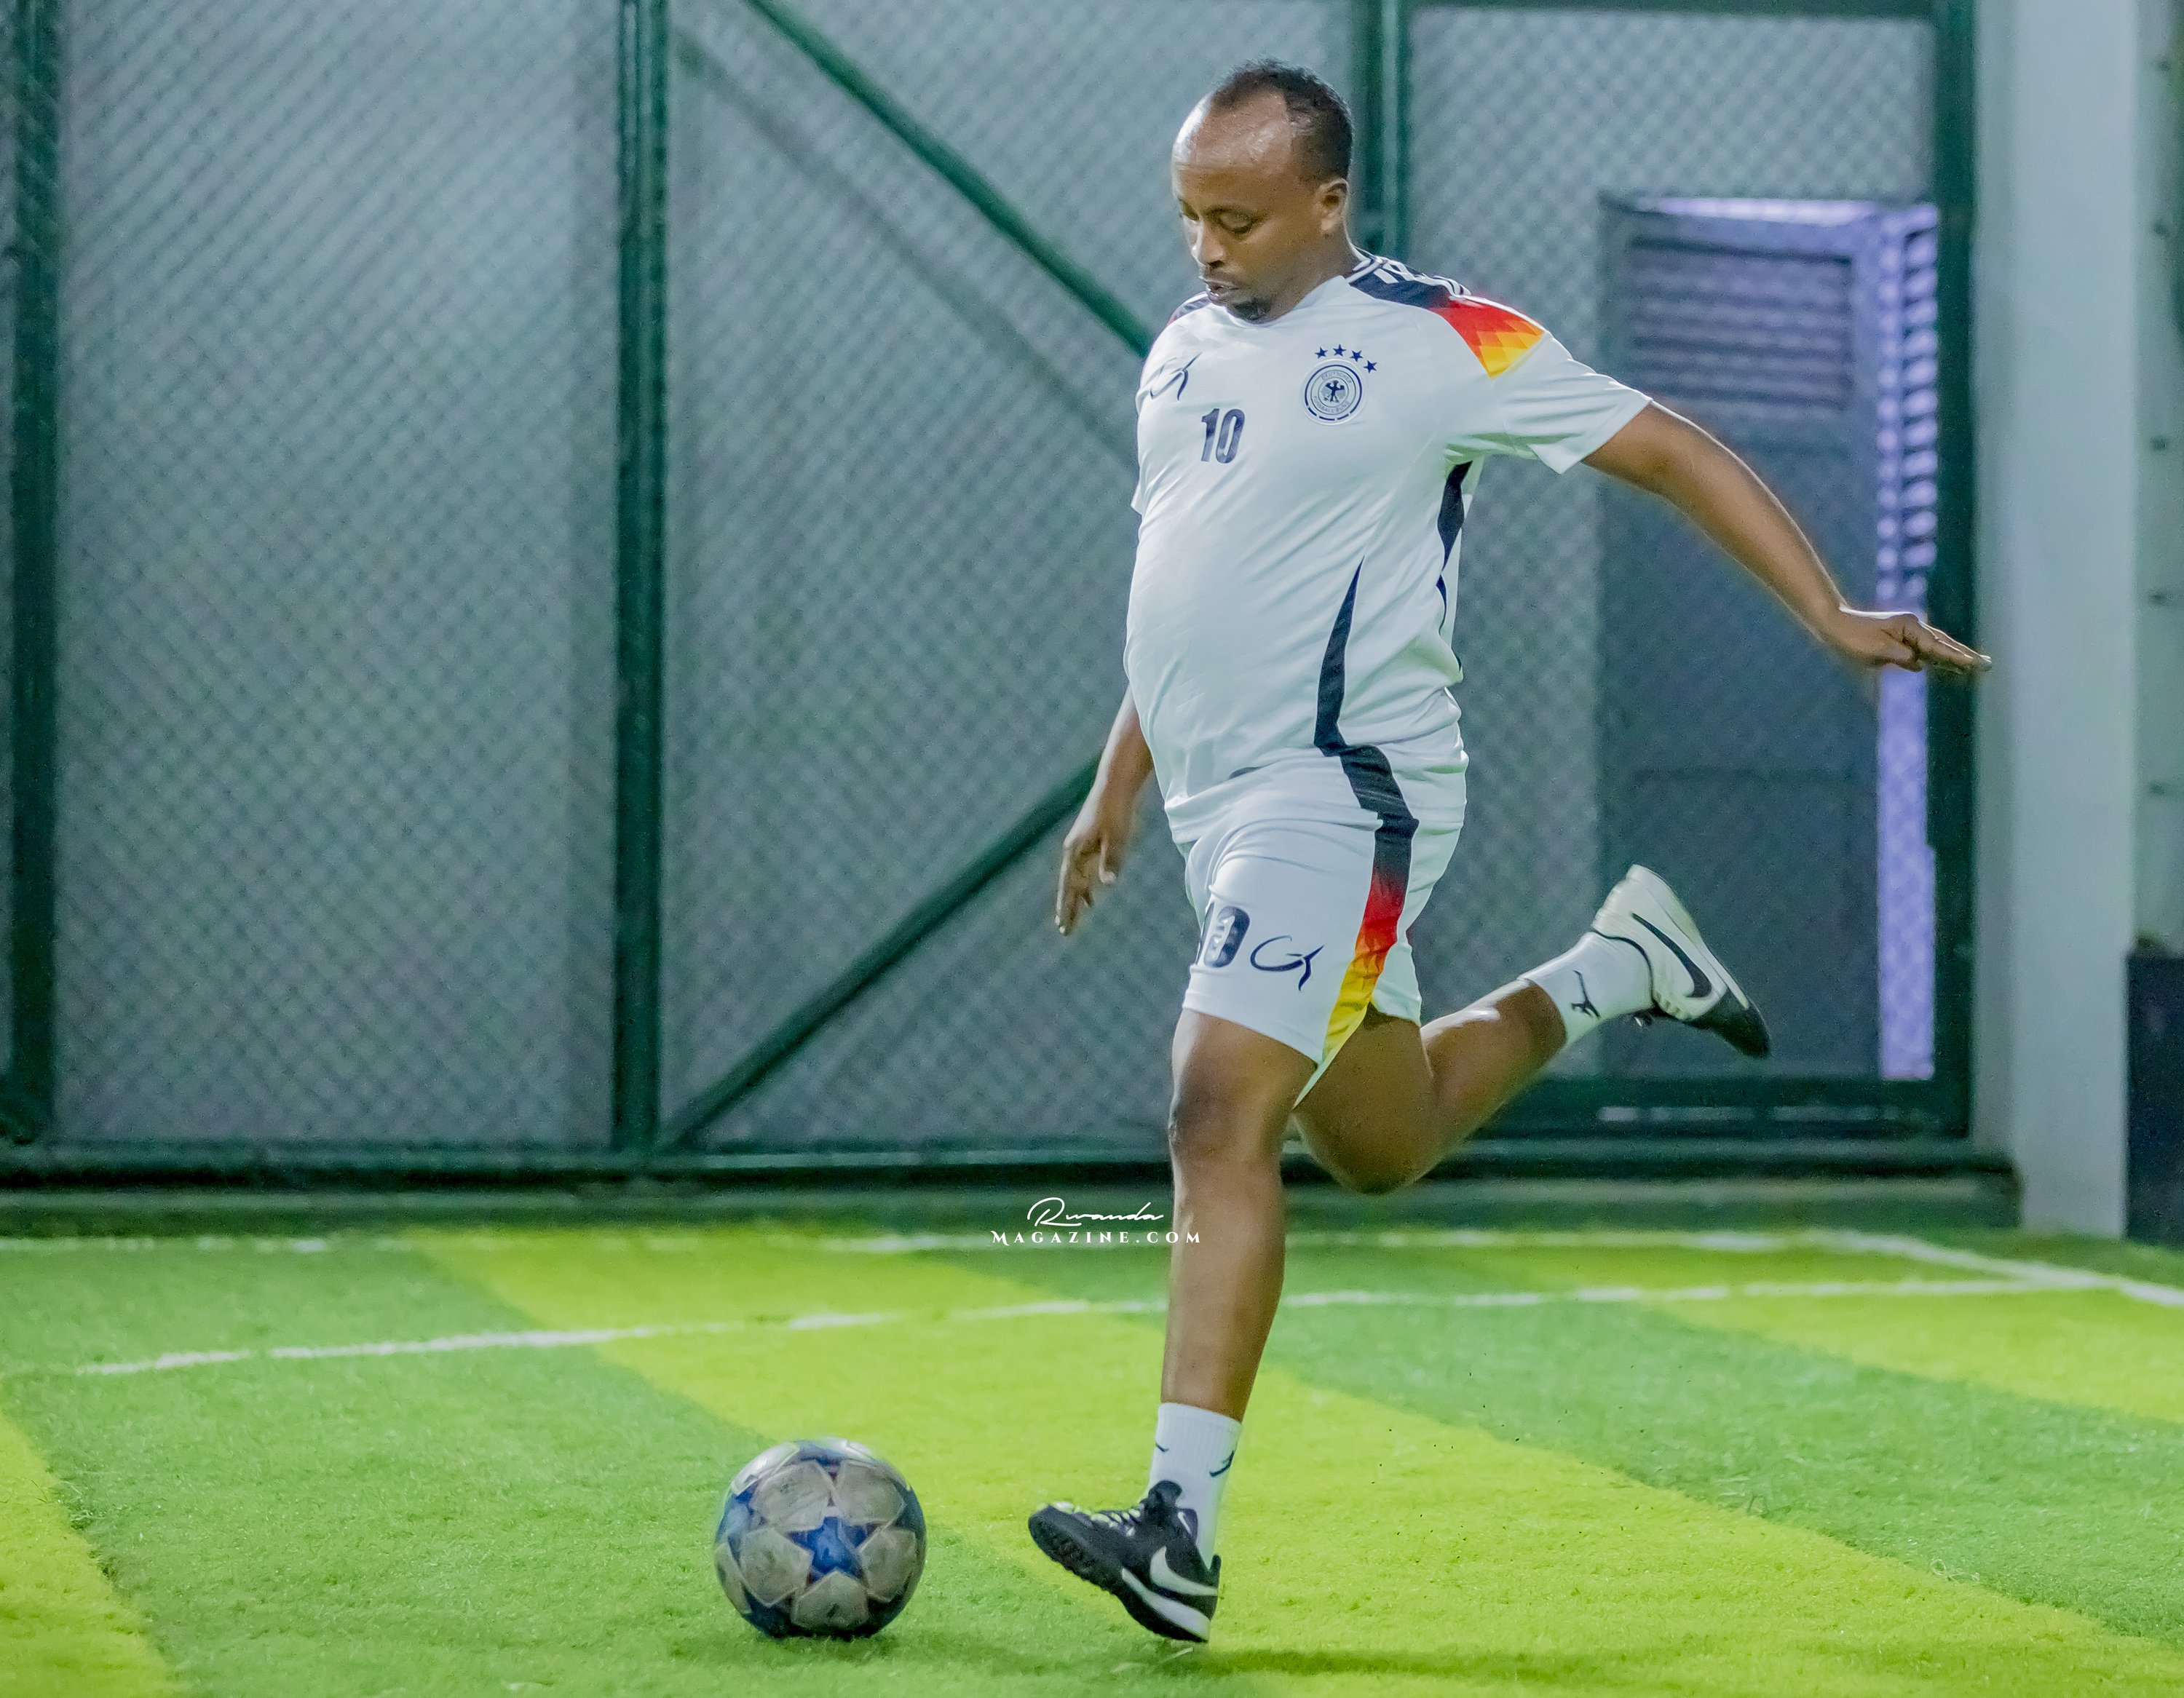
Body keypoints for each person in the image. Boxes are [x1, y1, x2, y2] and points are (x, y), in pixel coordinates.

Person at [1025, 61, 1988, 1644]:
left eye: (1238, 218)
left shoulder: (1444, 340)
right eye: (1190, 215)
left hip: (1349, 792)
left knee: (1214, 1105)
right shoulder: (1184, 348)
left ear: (1327, 202)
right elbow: (1195, 578)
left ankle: (1179, 1532)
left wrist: (1827, 612)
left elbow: (1670, 448)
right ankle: (1621, 965)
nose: (1205, 247)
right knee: (1377, 1141)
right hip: (1220, 809)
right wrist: (1116, 781)